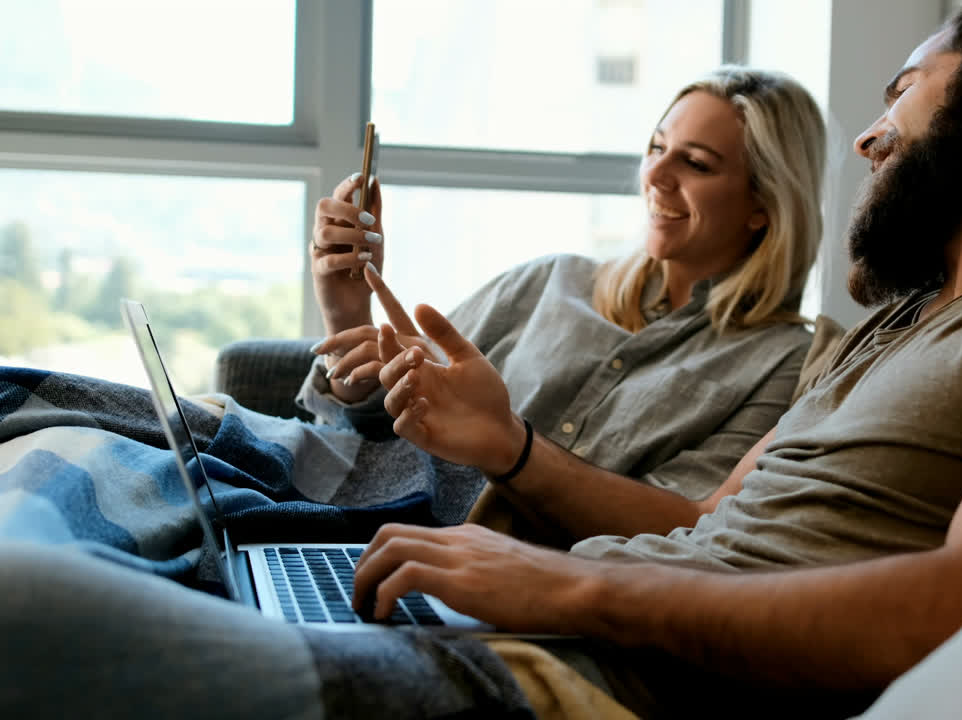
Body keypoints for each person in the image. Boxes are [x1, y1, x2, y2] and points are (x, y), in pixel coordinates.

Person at [0, 2, 962, 718]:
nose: (872, 138)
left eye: (898, 89)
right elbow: (717, 523)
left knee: (27, 615)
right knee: (48, 464)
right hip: (544, 609)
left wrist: (567, 581)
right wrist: (524, 561)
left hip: (611, 669)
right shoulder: (884, 328)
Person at [299, 67, 827, 529]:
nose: (657, 176)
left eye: (697, 163)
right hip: (348, 511)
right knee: (214, 455)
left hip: (480, 568)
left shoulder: (781, 362)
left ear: (765, 202)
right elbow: (380, 429)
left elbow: (681, 529)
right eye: (657, 148)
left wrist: (509, 443)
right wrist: (346, 312)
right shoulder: (551, 281)